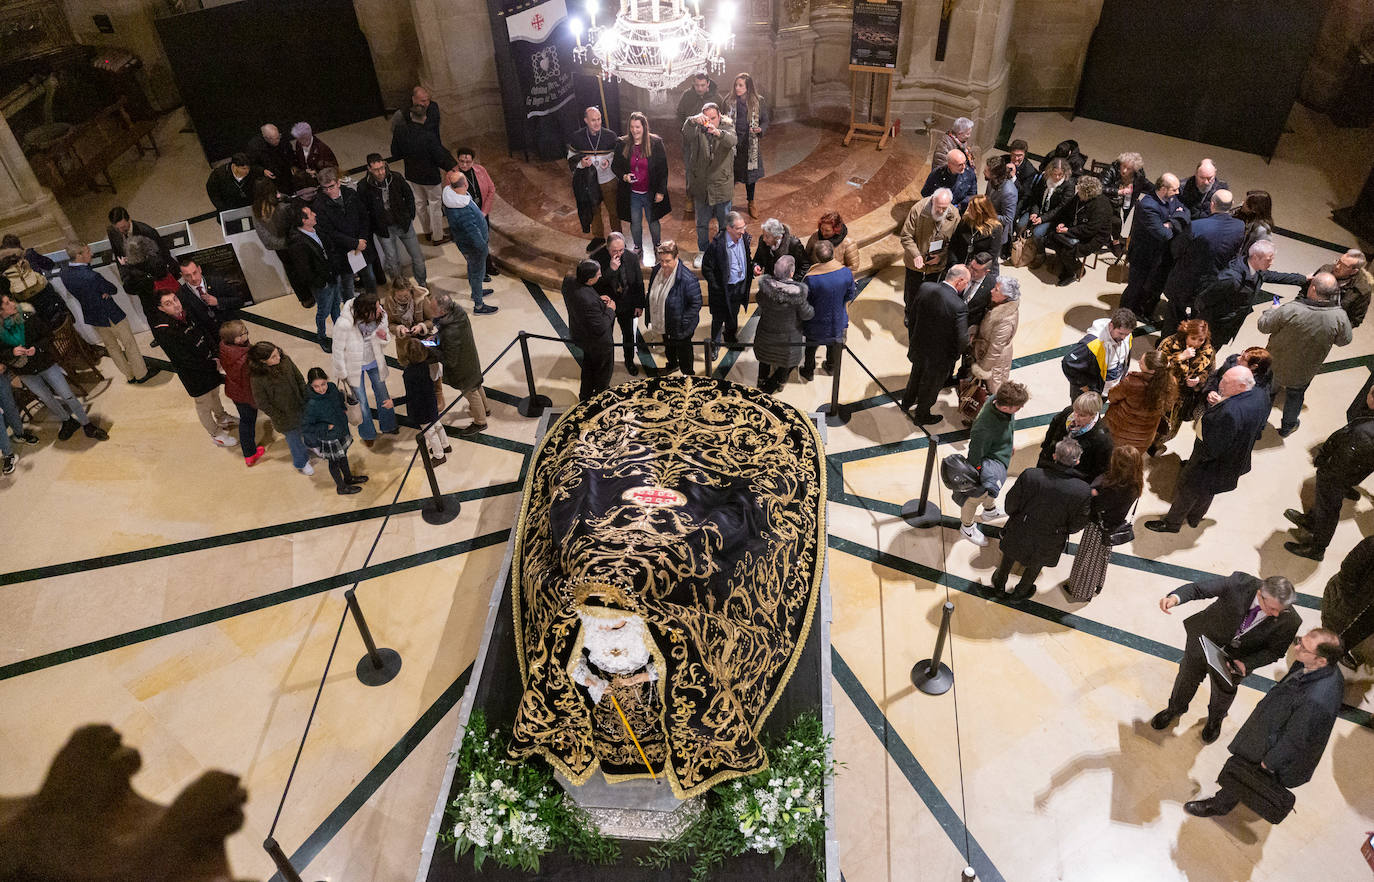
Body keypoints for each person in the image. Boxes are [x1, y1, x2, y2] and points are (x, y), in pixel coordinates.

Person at [1184, 628, 1344, 820]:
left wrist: (1268, 763)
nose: (1297, 647)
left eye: (1304, 647)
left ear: (1321, 660)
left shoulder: (1316, 699)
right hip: (1272, 726)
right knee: (1248, 772)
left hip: (1272, 748)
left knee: (1246, 774)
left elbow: (1295, 739)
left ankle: (1220, 804)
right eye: (1299, 640)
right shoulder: (1317, 668)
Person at [1153, 573, 1303, 743]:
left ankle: (1215, 721)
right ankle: (1174, 709)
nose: (1276, 614)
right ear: (1260, 594)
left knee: (1223, 694)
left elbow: (1275, 652)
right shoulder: (1239, 583)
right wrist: (1174, 598)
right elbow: (1198, 589)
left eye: (1281, 610)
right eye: (1272, 608)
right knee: (1186, 678)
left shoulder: (1291, 620)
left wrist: (1247, 663)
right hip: (1205, 641)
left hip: (1237, 661)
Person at [1146, 365, 1270, 533]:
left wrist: (1198, 461)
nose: (1221, 385)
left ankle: (1172, 523)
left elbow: (1214, 445)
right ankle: (1195, 517)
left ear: (1241, 386)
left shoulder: (1230, 412)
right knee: (1208, 490)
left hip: (1209, 463)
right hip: (1233, 460)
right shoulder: (1258, 395)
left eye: (1226, 382)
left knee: (1187, 490)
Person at [989, 438, 1092, 602]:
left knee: (1009, 553)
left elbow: (1011, 503)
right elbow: (1079, 522)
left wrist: (1016, 517)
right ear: (1077, 461)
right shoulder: (1082, 490)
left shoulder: (1031, 475)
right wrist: (1063, 530)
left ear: (1054, 456)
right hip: (1052, 536)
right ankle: (1022, 591)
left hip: (1021, 526)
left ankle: (1000, 584)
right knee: (1037, 563)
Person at [1283, 383, 1374, 561]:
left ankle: (1316, 548)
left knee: (1328, 510)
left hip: (1337, 475)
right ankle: (1311, 521)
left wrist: (1325, 467)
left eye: (1370, 392)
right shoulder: (1368, 420)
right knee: (1324, 504)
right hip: (1352, 469)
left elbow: (1344, 460)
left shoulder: (1364, 433)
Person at [0, 293, 108, 442]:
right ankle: (67, 421)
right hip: (25, 371)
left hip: (45, 363)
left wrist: (36, 348)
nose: (12, 304)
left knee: (67, 394)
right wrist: (11, 352)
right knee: (46, 398)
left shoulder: (28, 316)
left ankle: (87, 424)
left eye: (10, 300)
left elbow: (48, 336)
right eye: (6, 304)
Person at [1257, 272, 1353, 437]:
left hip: (1275, 364)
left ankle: (1258, 427)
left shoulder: (1291, 309)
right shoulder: (1339, 316)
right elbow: (1344, 341)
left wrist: (1271, 311)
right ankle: (1288, 426)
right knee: (1295, 397)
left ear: (1313, 289)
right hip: (1305, 370)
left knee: (1268, 394)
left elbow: (1263, 326)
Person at [148, 289, 233, 446]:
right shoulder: (164, 330)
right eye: (168, 303)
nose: (175, 305)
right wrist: (212, 364)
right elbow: (184, 359)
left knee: (215, 393)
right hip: (195, 375)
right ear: (161, 308)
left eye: (175, 299)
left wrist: (215, 354)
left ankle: (222, 417)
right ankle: (216, 434)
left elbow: (204, 333)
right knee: (204, 404)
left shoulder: (186, 313)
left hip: (210, 363)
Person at [59, 242, 152, 384]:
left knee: (112, 347)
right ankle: (141, 374)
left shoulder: (64, 273)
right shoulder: (91, 276)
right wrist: (104, 291)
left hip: (93, 317)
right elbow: (113, 288)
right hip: (110, 314)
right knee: (129, 344)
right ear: (78, 255)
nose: (91, 253)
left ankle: (129, 375)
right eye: (87, 251)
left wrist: (100, 292)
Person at [1196, 238, 1310, 348]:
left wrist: (1303, 279)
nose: (1272, 263)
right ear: (1255, 257)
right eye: (1269, 259)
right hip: (1213, 327)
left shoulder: (1257, 269)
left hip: (1228, 325)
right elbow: (1204, 299)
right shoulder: (1232, 278)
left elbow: (1275, 276)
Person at [955, 381, 1030, 547]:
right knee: (974, 498)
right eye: (1017, 407)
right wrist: (981, 475)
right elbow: (975, 457)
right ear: (1005, 407)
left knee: (993, 488)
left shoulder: (999, 399)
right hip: (988, 465)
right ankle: (966, 526)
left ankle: (989, 510)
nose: (1019, 410)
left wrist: (1007, 444)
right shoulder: (983, 427)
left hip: (999, 459)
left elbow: (1005, 427)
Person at [1064, 446, 1143, 601]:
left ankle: (1081, 591)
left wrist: (1094, 488)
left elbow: (1096, 505)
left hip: (1098, 527)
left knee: (1088, 558)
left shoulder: (1111, 487)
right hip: (1113, 525)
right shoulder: (1135, 483)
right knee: (1101, 557)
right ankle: (1097, 583)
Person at [1159, 190, 1243, 331]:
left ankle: (1167, 341)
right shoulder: (1239, 227)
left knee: (1174, 314)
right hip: (1212, 282)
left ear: (1212, 204)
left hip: (1185, 280)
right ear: (1232, 204)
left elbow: (1176, 249)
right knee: (1198, 319)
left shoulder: (1197, 226)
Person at [900, 264, 969, 424]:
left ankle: (907, 402)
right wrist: (954, 355)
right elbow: (962, 339)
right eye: (966, 283)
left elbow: (912, 315)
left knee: (915, 375)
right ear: (959, 281)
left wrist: (914, 339)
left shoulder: (926, 287)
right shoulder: (959, 306)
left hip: (919, 345)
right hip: (940, 356)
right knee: (931, 386)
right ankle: (922, 415)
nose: (966, 286)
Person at [331, 292, 398, 446]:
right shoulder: (344, 323)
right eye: (376, 308)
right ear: (366, 311)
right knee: (361, 402)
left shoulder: (382, 315)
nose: (380, 310)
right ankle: (367, 433)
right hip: (353, 365)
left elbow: (385, 336)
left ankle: (388, 425)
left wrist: (383, 337)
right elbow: (337, 348)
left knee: (382, 393)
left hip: (374, 359)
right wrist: (341, 371)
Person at [1120, 173, 1187, 319]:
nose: (1178, 193)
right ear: (1163, 188)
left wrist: (1170, 223)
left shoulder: (1171, 198)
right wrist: (1175, 221)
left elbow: (1185, 212)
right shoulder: (1148, 206)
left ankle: (1139, 310)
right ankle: (1125, 312)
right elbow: (1165, 235)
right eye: (1174, 189)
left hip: (1158, 253)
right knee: (1136, 286)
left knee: (1149, 285)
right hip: (1143, 255)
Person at [390, 104, 456, 247]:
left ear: (411, 116)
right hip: (430, 176)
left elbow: (395, 152)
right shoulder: (428, 135)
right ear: (425, 117)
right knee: (435, 205)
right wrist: (451, 166)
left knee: (419, 203)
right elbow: (439, 156)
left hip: (412, 174)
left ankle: (427, 231)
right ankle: (437, 236)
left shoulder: (400, 131)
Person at [683, 102, 737, 265]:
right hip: (702, 186)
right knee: (702, 224)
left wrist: (718, 133)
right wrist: (692, 120)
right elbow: (685, 132)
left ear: (719, 116)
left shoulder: (727, 127)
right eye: (707, 118)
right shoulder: (697, 128)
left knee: (724, 224)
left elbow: (733, 140)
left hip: (721, 185)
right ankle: (702, 252)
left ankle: (724, 252)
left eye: (713, 118)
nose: (710, 122)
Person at [360, 154, 426, 287]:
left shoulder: (395, 177)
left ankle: (422, 283)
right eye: (376, 169)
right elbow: (363, 209)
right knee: (392, 260)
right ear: (369, 169)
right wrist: (374, 226)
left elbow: (409, 196)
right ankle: (400, 288)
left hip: (403, 224)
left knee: (418, 257)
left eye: (382, 168)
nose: (381, 172)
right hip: (384, 229)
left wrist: (410, 215)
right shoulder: (363, 186)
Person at [248, 342, 313, 475]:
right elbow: (262, 402)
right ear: (263, 361)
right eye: (273, 357)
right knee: (294, 440)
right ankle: (301, 462)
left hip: (300, 404)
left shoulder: (285, 360)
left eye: (277, 353)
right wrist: (277, 415)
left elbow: (299, 378)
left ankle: (312, 445)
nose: (278, 357)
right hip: (284, 417)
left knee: (308, 427)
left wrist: (305, 397)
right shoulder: (257, 378)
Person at [311, 167, 376, 302]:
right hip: (342, 251)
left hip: (361, 245)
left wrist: (362, 239)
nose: (328, 191)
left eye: (331, 187)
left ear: (338, 183)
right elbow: (330, 232)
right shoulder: (320, 205)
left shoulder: (350, 194)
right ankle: (350, 313)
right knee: (347, 285)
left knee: (369, 277)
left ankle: (375, 305)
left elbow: (364, 217)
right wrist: (354, 243)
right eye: (325, 188)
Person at [1151, 319, 1215, 454]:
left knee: (1171, 429)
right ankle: (1148, 443)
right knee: (1154, 423)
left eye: (1201, 340)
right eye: (1193, 338)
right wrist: (1180, 357)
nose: (1196, 343)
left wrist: (1199, 379)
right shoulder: (1169, 343)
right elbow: (1156, 366)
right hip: (1164, 392)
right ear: (1186, 333)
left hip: (1184, 397)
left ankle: (1156, 445)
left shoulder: (1208, 351)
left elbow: (1210, 372)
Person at [431, 290, 489, 435]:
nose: (430, 312)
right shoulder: (458, 311)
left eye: (433, 309)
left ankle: (480, 422)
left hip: (462, 367)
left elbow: (449, 360)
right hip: (470, 358)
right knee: (476, 383)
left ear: (443, 310)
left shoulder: (450, 332)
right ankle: (485, 409)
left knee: (470, 391)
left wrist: (432, 348)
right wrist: (437, 337)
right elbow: (444, 334)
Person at [302, 367, 367, 495]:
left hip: (341, 429)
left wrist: (343, 408)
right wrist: (325, 427)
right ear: (311, 386)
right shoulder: (311, 404)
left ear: (327, 380)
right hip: (329, 437)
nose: (321, 389)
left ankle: (348, 478)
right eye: (316, 386)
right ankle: (341, 487)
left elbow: (338, 400)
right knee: (334, 463)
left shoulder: (332, 388)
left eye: (323, 384)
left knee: (343, 456)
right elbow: (306, 427)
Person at [752, 254, 813, 393]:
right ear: (791, 273)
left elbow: (759, 300)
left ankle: (761, 379)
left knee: (765, 358)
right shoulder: (797, 295)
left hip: (766, 332)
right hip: (788, 337)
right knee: (785, 361)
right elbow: (806, 314)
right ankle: (780, 383)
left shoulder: (765, 290)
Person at [612, 112, 670, 254]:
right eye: (632, 127)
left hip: (651, 192)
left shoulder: (655, 143)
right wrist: (624, 176)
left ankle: (657, 245)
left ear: (644, 127)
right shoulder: (622, 143)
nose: (634, 130)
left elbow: (663, 169)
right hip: (632, 193)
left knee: (653, 221)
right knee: (635, 222)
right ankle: (638, 247)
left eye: (637, 127)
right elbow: (615, 166)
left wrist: (661, 191)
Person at [441, 169, 497, 314]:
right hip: (473, 247)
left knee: (473, 269)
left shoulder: (450, 194)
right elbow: (473, 234)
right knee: (477, 272)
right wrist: (483, 249)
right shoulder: (463, 209)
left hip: (465, 244)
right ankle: (479, 306)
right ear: (465, 184)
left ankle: (475, 292)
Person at [801, 241, 858, 382]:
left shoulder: (811, 278)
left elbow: (805, 301)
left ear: (817, 257)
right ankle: (831, 367)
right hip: (838, 318)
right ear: (833, 254)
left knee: (811, 347)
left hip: (815, 321)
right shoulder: (845, 272)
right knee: (833, 344)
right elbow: (850, 295)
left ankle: (808, 371)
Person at [286, 204, 341, 350]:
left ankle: (342, 332)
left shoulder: (316, 230)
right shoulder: (297, 243)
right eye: (310, 214)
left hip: (332, 275)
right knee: (323, 311)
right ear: (303, 220)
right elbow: (304, 270)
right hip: (323, 282)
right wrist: (321, 283)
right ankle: (322, 337)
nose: (315, 214)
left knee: (336, 306)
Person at [591, 233, 646, 375]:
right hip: (607, 305)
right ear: (607, 248)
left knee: (628, 334)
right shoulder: (596, 259)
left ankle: (629, 361)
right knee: (605, 336)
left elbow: (639, 282)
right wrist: (611, 270)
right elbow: (595, 285)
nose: (619, 254)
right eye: (615, 251)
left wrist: (640, 304)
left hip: (626, 304)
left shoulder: (632, 257)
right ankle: (606, 364)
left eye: (621, 250)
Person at [1044, 175, 1114, 286]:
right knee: (1052, 236)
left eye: (1079, 191)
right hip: (1076, 228)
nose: (1077, 192)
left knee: (1068, 251)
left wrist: (1068, 230)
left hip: (1094, 238)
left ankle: (1072, 272)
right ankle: (1066, 263)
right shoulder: (1080, 196)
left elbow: (1090, 229)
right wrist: (1063, 223)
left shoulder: (1101, 206)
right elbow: (1067, 212)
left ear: (1088, 194)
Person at [569, 106, 621, 252]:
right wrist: (581, 163)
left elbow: (618, 155)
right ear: (586, 120)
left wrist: (609, 161)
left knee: (613, 210)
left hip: (608, 179)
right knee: (594, 210)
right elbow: (570, 157)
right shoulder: (577, 137)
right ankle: (598, 237)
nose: (597, 123)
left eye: (599, 119)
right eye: (593, 120)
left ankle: (617, 237)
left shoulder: (610, 135)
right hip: (589, 181)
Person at [643, 240, 701, 375]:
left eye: (668, 261)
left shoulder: (687, 278)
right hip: (665, 323)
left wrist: (682, 321)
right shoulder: (657, 269)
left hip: (680, 327)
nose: (664, 265)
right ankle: (672, 365)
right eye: (661, 260)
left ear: (677, 257)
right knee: (669, 347)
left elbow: (695, 303)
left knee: (684, 353)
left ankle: (688, 375)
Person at [1104, 350, 1178, 453]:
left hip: (1120, 431)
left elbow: (1112, 396)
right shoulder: (1171, 382)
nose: (1138, 362)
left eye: (1142, 362)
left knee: (1113, 456)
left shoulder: (1131, 383)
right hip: (1144, 437)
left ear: (1152, 371)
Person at [701, 210, 753, 352]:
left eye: (744, 227)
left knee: (733, 315)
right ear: (729, 228)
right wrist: (716, 286)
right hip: (722, 290)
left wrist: (752, 268)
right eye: (738, 228)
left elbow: (747, 258)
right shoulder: (717, 245)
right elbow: (706, 268)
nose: (742, 231)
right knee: (718, 318)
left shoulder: (745, 238)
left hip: (739, 286)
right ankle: (715, 345)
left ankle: (730, 339)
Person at [564, 259, 615, 400]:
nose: (600, 276)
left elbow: (582, 303)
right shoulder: (588, 301)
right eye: (598, 275)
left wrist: (598, 300)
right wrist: (611, 310)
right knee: (603, 371)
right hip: (599, 343)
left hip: (582, 335)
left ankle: (584, 396)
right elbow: (601, 326)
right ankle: (600, 395)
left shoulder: (569, 281)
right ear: (590, 279)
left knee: (588, 367)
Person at [251, 179, 307, 305]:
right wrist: (291, 240)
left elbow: (267, 239)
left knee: (292, 271)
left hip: (283, 248)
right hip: (291, 245)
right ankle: (308, 295)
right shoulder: (278, 208)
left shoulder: (256, 210)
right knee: (299, 270)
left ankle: (305, 298)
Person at [1320, 536, 1374, 668]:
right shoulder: (1371, 545)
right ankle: (1331, 649)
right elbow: (1347, 575)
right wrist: (1356, 603)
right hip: (1345, 599)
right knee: (1334, 628)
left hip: (1367, 608)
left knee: (1360, 630)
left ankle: (1342, 648)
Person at [675, 72, 722, 223]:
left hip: (711, 141)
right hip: (691, 141)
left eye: (702, 85)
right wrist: (685, 131)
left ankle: (709, 199)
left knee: (710, 169)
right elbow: (680, 116)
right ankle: (690, 196)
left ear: (708, 84)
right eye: (696, 85)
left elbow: (723, 117)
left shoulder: (717, 98)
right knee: (690, 169)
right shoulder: (686, 96)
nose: (699, 89)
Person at [217, 320, 264, 466]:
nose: (247, 334)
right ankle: (250, 453)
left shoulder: (225, 347)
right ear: (236, 339)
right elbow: (250, 379)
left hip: (235, 391)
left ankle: (249, 453)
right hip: (245, 394)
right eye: (244, 333)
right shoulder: (243, 359)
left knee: (246, 419)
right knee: (248, 421)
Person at [1062, 308, 1137, 401]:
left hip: (1105, 389)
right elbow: (1068, 363)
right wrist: (1084, 386)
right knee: (1080, 413)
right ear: (1111, 325)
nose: (1123, 337)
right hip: (1091, 392)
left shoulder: (1126, 336)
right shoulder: (1092, 344)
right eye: (1120, 333)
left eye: (1127, 334)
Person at [1038, 391, 1114, 482]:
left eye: (1082, 415)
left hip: (1074, 478)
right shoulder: (1068, 412)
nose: (1076, 417)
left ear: (1093, 415)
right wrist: (1045, 452)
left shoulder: (1103, 439)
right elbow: (1052, 431)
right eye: (1076, 412)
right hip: (1049, 465)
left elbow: (1100, 470)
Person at [899, 188, 961, 292]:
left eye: (944, 208)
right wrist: (916, 254)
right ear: (933, 200)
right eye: (938, 207)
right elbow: (906, 236)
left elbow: (955, 242)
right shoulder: (918, 210)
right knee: (911, 297)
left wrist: (941, 256)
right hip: (915, 265)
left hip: (937, 266)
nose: (941, 211)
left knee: (929, 297)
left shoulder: (954, 214)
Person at [397, 336, 446, 465]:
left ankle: (439, 455)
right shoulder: (426, 365)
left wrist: (394, 403)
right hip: (431, 401)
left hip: (421, 408)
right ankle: (446, 445)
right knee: (437, 424)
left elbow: (411, 396)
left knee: (429, 432)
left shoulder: (408, 373)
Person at [968, 275, 1020, 396]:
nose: (991, 291)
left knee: (995, 391)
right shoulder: (997, 305)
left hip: (995, 363)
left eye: (996, 290)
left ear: (1006, 296)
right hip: (985, 353)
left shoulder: (1006, 320)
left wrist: (982, 369)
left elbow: (995, 349)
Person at [454, 147, 499, 279]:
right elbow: (452, 200)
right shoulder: (453, 175)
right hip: (467, 217)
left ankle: (488, 265)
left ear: (473, 161)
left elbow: (491, 189)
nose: (464, 165)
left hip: (482, 213)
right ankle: (480, 271)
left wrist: (484, 212)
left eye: (468, 162)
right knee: (475, 244)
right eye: (461, 161)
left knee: (484, 241)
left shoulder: (480, 170)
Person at [730, 73, 768, 217]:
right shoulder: (730, 101)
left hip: (750, 143)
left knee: (750, 176)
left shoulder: (758, 101)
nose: (737, 88)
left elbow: (765, 120)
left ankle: (751, 202)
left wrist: (760, 129)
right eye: (736, 85)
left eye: (741, 85)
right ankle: (727, 202)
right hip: (733, 142)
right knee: (730, 174)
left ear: (748, 87)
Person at [178, 256, 242, 336]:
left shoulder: (216, 281)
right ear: (182, 276)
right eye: (188, 275)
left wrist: (218, 302)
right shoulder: (182, 294)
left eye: (195, 273)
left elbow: (239, 301)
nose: (193, 278)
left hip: (233, 327)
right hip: (211, 334)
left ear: (199, 269)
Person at [1022, 157, 1073, 245]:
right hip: (1039, 211)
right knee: (1021, 225)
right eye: (1054, 174)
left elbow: (1060, 208)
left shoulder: (1068, 186)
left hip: (1053, 217)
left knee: (1037, 233)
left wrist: (1042, 218)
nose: (1057, 177)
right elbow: (1036, 198)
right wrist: (1034, 212)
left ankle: (1039, 254)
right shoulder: (1044, 179)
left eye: (1060, 174)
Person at [948, 194, 1004, 272]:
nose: (967, 210)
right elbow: (953, 245)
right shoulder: (965, 221)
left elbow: (992, 255)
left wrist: (972, 269)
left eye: (971, 209)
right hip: (959, 265)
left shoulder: (995, 229)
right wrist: (955, 264)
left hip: (979, 270)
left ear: (980, 212)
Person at [1096, 150, 1149, 228]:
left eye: (1129, 169)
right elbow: (1100, 188)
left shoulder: (1138, 176)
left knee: (1118, 224)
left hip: (1121, 204)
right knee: (1113, 223)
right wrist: (1119, 191)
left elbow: (1149, 186)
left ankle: (1115, 239)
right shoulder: (1111, 170)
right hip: (1105, 202)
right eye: (1123, 166)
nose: (1124, 171)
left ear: (1134, 170)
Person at [1322, 248, 1370, 327]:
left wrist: (1337, 331)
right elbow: (1305, 292)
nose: (1337, 266)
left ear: (1354, 271)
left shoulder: (1362, 291)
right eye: (1339, 261)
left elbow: (1355, 319)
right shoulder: (1325, 270)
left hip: (1332, 326)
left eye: (1344, 266)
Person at [920, 148, 977, 212]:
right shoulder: (937, 174)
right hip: (938, 211)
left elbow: (972, 195)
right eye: (960, 164)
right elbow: (925, 193)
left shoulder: (970, 174)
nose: (964, 167)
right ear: (950, 165)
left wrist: (959, 206)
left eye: (965, 163)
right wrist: (939, 203)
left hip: (958, 213)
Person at [983, 155, 1018, 252]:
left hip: (997, 231)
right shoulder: (991, 180)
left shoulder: (1009, 192)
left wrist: (988, 214)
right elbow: (987, 197)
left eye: (986, 171)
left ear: (994, 174)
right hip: (987, 223)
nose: (983, 172)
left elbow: (1008, 218)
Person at [244, 123, 294, 187]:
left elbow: (290, 153)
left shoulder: (282, 138)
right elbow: (250, 164)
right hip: (268, 178)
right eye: (273, 139)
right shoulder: (254, 146)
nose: (277, 141)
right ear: (265, 138)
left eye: (278, 137)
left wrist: (292, 165)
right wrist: (263, 171)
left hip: (286, 172)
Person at [1001, 139, 1037, 217]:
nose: (1016, 158)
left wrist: (1013, 177)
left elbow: (1023, 192)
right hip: (1000, 192)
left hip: (1016, 199)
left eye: (1020, 155)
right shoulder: (1002, 160)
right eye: (1014, 155)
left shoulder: (1029, 171)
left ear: (1024, 154)